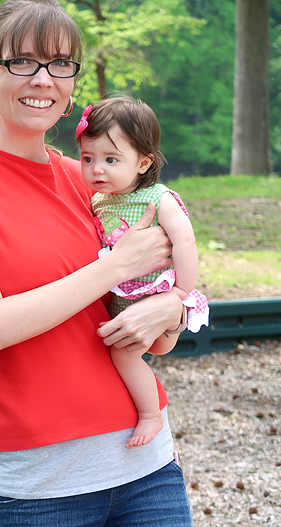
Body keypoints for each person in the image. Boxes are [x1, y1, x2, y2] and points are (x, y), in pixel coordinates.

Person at [0, 0, 194, 525]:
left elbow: (157, 311)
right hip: (36, 492)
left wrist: (172, 306)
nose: (43, 79)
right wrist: (114, 267)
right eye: (22, 62)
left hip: (147, 472)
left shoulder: (92, 181)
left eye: (60, 63)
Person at [76, 96, 210, 450]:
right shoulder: (98, 201)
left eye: (110, 159)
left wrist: (182, 292)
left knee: (130, 353)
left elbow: (184, 240)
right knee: (116, 347)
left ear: (143, 162)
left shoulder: (156, 197)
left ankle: (150, 415)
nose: (96, 170)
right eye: (87, 159)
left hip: (155, 290)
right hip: (122, 297)